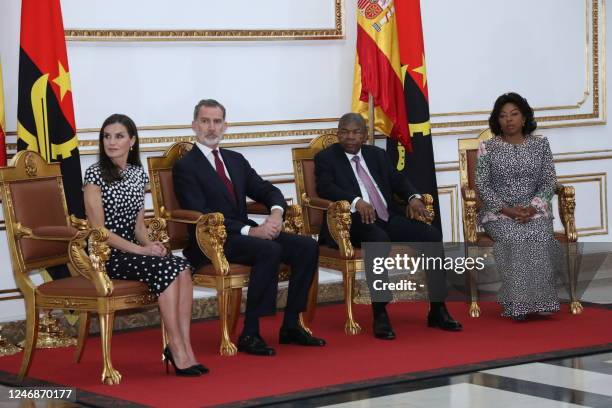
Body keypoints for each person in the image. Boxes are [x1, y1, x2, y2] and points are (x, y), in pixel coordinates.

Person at [173, 99, 325, 356]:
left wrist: (276, 213)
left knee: (307, 246)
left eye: (217, 121)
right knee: (268, 250)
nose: (211, 128)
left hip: (243, 236)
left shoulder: (235, 159)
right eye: (205, 121)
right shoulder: (186, 166)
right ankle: (250, 332)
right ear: (194, 125)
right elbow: (202, 212)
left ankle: (291, 325)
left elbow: (266, 189)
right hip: (210, 240)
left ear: (225, 126)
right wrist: (251, 231)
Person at [314, 113, 462, 340]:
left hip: (386, 216)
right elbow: (325, 188)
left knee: (430, 235)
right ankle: (380, 312)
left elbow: (398, 180)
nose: (349, 137)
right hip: (351, 221)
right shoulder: (326, 158)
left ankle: (438, 308)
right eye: (344, 132)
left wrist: (413, 197)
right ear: (338, 133)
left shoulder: (377, 155)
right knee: (378, 240)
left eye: (355, 132)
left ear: (364, 135)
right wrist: (356, 202)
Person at [83, 114, 204, 377]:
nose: (111, 142)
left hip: (134, 251)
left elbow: (139, 226)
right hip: (107, 254)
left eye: (118, 136)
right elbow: (99, 230)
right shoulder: (94, 174)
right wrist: (141, 250)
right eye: (106, 136)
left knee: (182, 266)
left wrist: (152, 244)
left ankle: (184, 346)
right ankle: (176, 348)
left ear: (132, 141)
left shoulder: (138, 174)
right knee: (168, 270)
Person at [475, 92, 561, 320]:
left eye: (514, 114)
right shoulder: (488, 147)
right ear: (497, 120)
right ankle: (517, 305)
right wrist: (506, 210)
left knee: (538, 235)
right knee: (515, 238)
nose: (509, 120)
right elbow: (481, 184)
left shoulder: (540, 145)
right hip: (499, 213)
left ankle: (542, 301)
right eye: (503, 116)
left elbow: (549, 180)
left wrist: (533, 207)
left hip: (535, 211)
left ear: (524, 118)